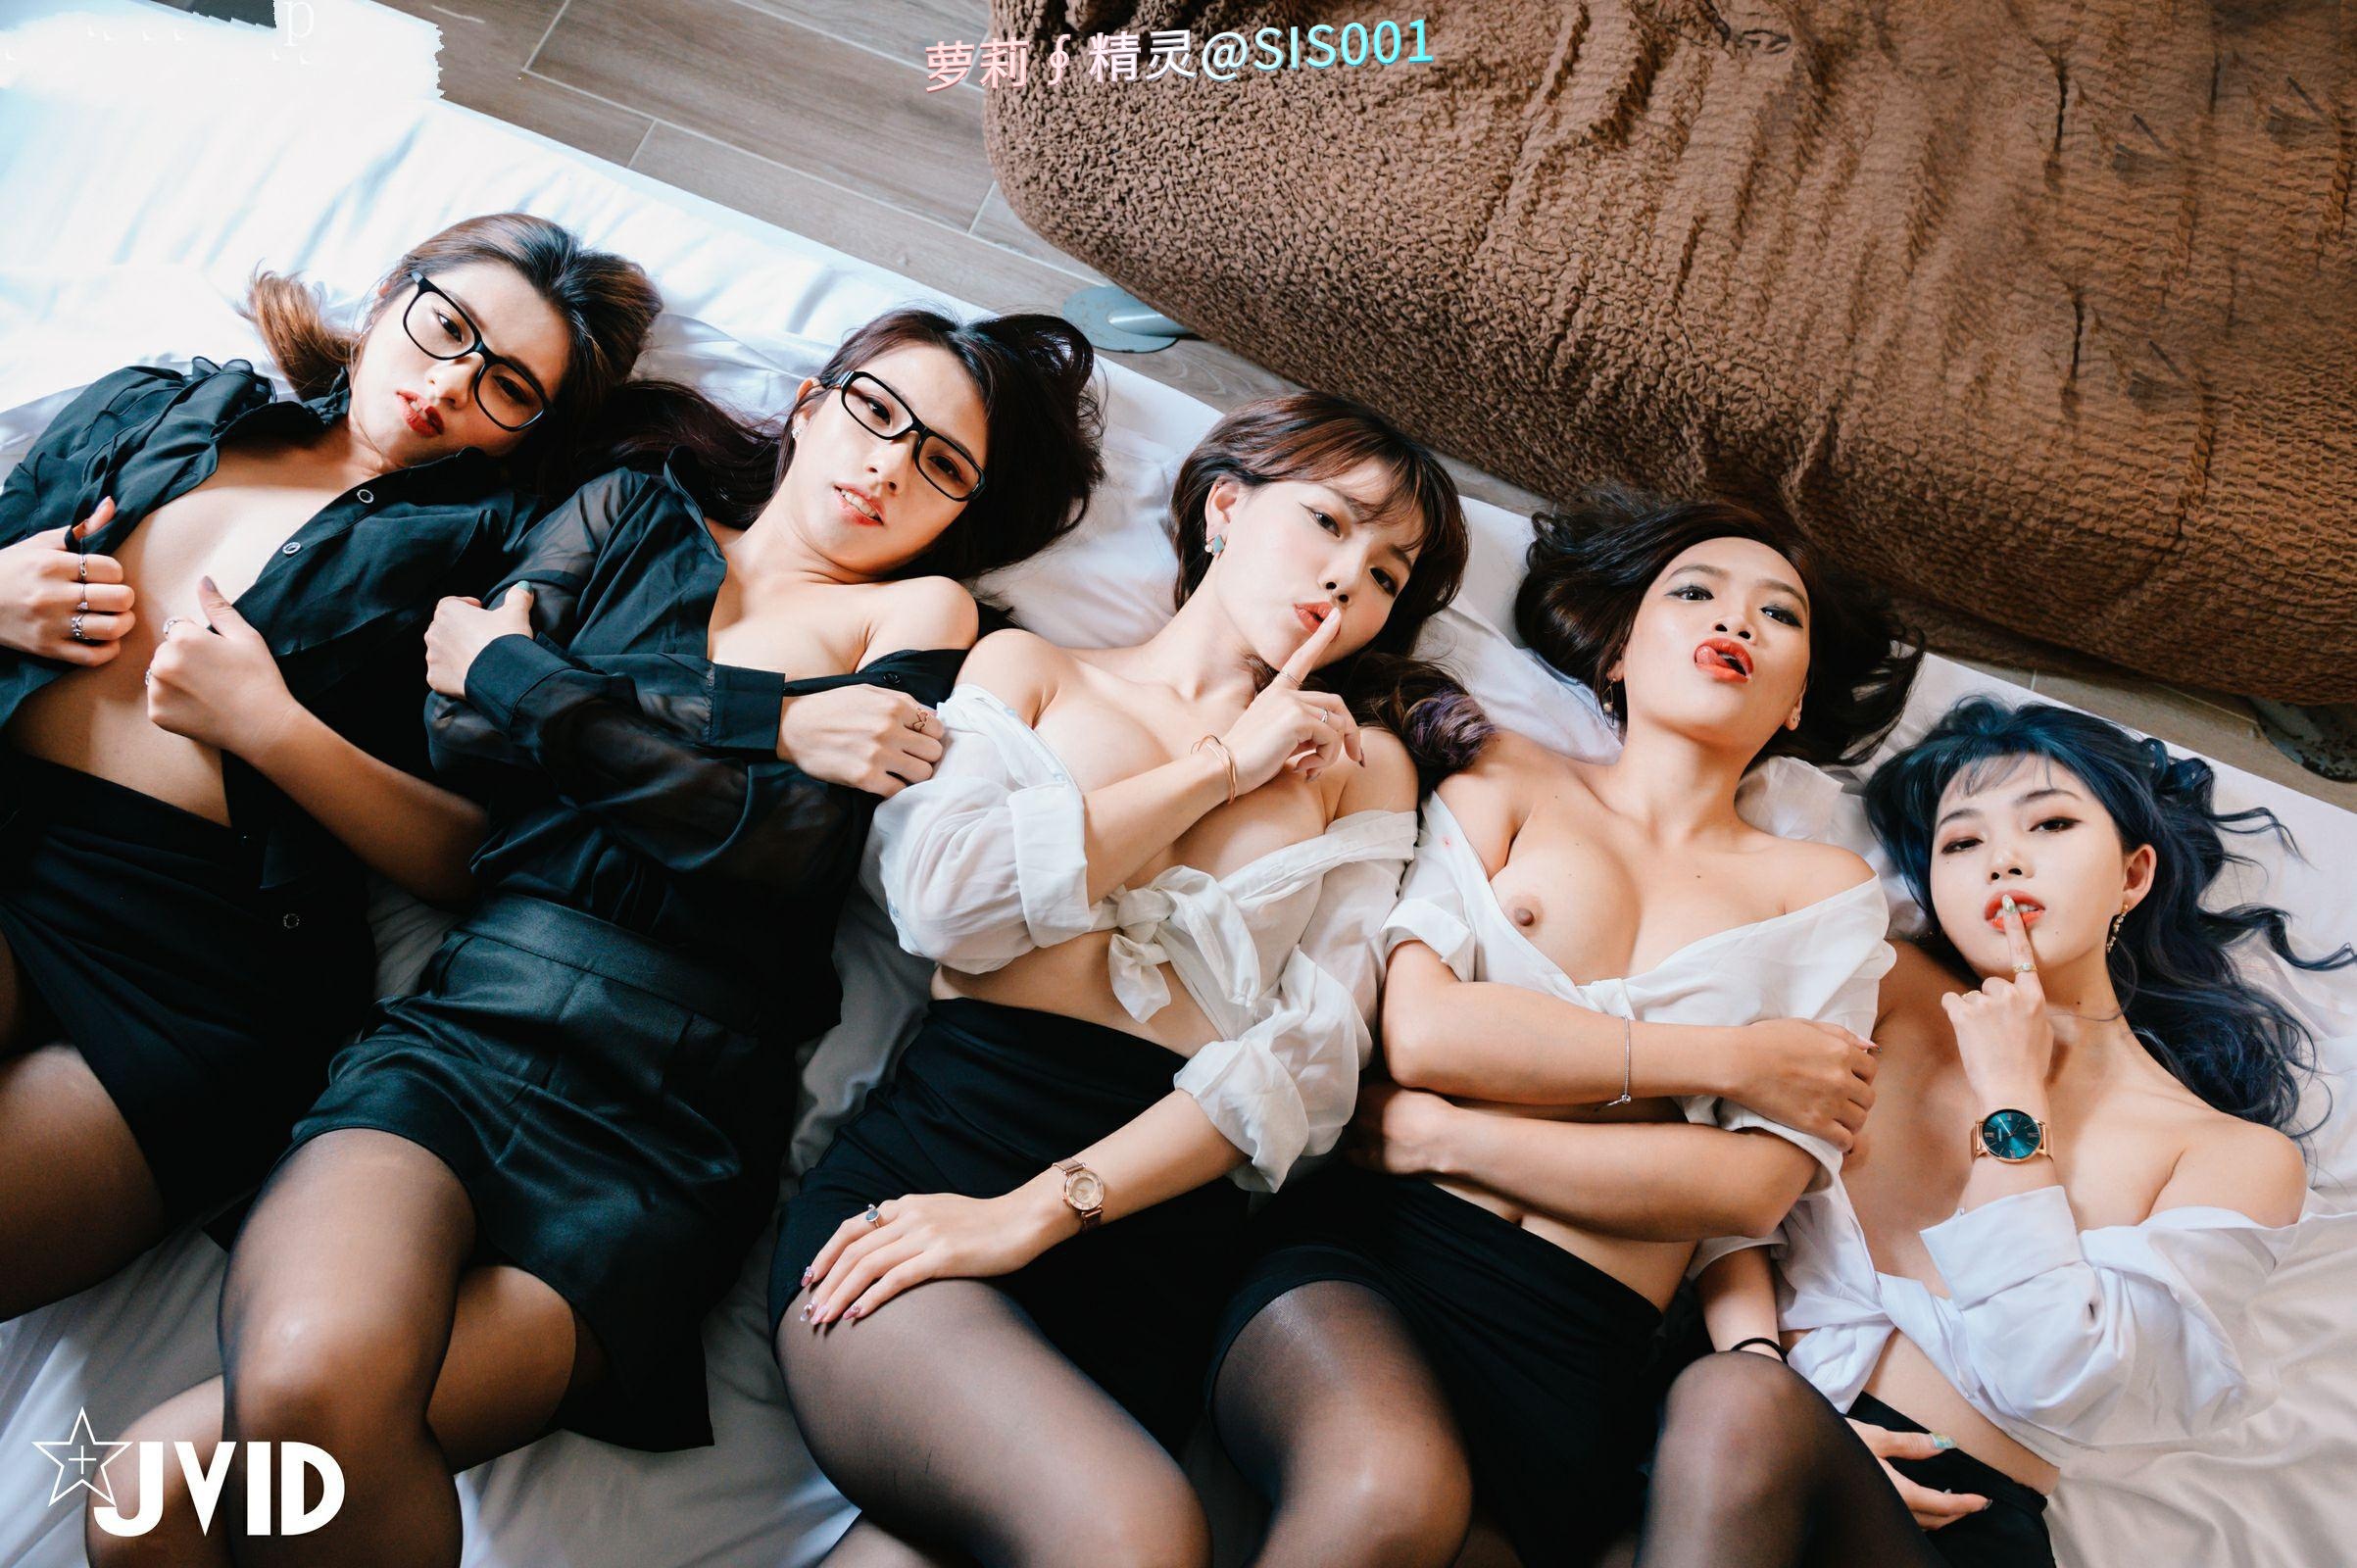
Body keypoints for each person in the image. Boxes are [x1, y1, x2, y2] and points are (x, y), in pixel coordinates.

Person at [91, 307, 1106, 1567]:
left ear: (963, 508)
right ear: (809, 402)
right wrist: (773, 725)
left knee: (160, 1491)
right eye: (875, 411)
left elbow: (779, 839)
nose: (889, 464)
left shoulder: (921, 614)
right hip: (462, 1032)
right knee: (168, 1482)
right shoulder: (628, 507)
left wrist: (529, 677)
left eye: (941, 463)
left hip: (666, 1116)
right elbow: (459, 723)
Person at [771, 393, 1480, 1568]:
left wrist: (1037, 1214)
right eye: (1326, 522)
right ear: (1223, 506)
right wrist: (1219, 767)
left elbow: (1308, 1074)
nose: (1347, 577)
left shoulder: (1362, 772)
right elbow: (946, 905)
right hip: (930, 1188)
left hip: (1147, 1250)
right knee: (1133, 1533)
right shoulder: (1036, 669)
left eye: (1385, 574)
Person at [1215, 484, 1922, 1568]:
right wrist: (1729, 1061)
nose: (1735, 621)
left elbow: (1746, 1189)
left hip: (1579, 1352)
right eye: (1694, 593)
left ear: (1793, 704)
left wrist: (1444, 1135)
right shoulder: (1504, 774)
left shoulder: (1823, 893)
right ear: (1618, 653)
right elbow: (1427, 1034)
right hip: (1370, 1269)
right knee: (1384, 1487)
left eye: (1778, 615)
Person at [0, 213, 662, 1319]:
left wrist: (270, 727)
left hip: (198, 969)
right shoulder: (165, 406)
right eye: (445, 326)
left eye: (507, 386)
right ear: (391, 294)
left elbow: (475, 857)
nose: (450, 383)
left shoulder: (502, 563)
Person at [1635, 697, 2352, 1568]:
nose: (2002, 860)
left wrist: (2010, 1096)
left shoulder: (2227, 1155)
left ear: (2132, 877)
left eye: (2050, 824)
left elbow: (2050, 1377)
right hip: (1727, 1441)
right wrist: (1764, 1373)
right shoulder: (1880, 987)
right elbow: (1723, 1189)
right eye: (1961, 843)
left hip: (1954, 1527)